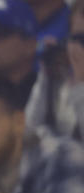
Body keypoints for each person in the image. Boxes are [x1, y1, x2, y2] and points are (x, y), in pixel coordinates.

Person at [26, 0, 84, 141]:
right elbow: (28, 132)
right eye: (78, 38)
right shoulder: (60, 81)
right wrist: (45, 80)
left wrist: (80, 86)